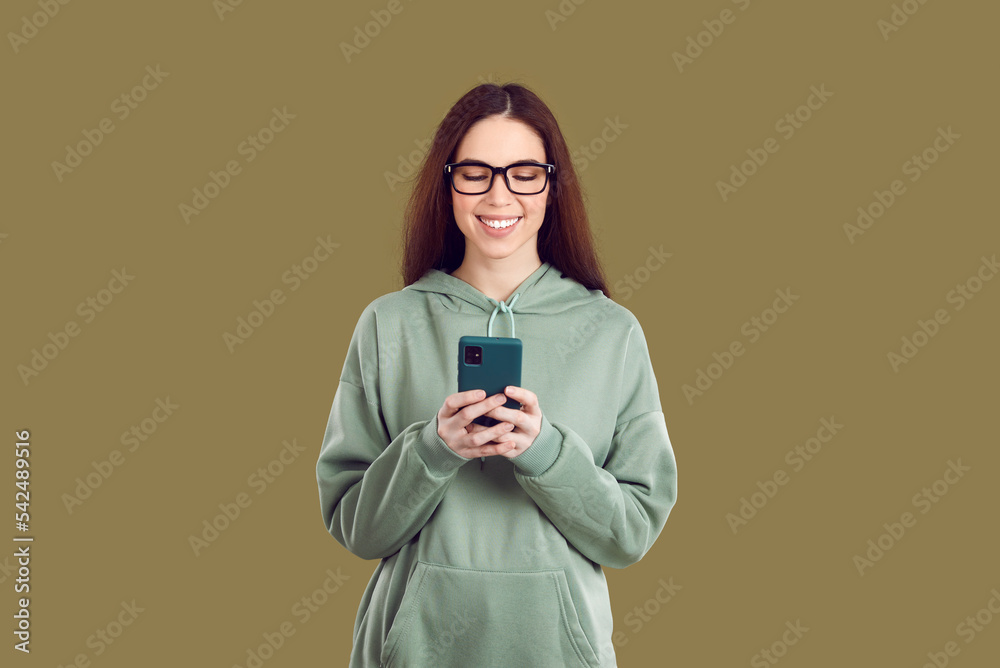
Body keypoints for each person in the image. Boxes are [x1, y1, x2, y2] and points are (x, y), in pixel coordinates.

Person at [315, 81, 677, 668]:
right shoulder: (389, 323)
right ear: (448, 183)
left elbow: (630, 533)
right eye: (476, 172)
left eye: (524, 172)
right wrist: (434, 449)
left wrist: (546, 453)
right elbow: (358, 528)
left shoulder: (613, 332)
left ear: (552, 187)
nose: (499, 195)